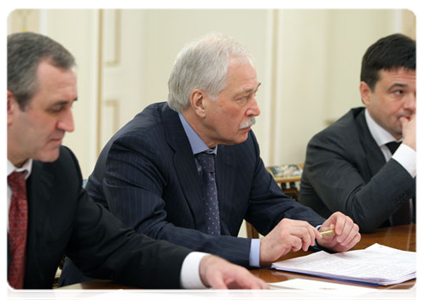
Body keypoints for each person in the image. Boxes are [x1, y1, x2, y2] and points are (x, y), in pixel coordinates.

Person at [60, 32, 360, 285]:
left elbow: (269, 203)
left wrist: (323, 231)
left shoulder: (238, 140)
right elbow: (150, 236)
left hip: (211, 286)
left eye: (255, 94)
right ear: (200, 102)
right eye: (243, 98)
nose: (255, 109)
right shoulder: (137, 145)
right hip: (112, 288)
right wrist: (257, 250)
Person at [5, 31, 270, 300]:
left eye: (71, 107)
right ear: (7, 107)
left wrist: (204, 266)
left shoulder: (57, 167)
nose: (69, 125)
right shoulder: (138, 142)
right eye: (55, 108)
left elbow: (117, 248)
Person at [299, 33, 420, 233]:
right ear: (366, 93)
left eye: (420, 93)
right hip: (344, 260)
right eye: (398, 92)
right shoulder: (327, 145)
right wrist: (412, 149)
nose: (412, 105)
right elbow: (359, 216)